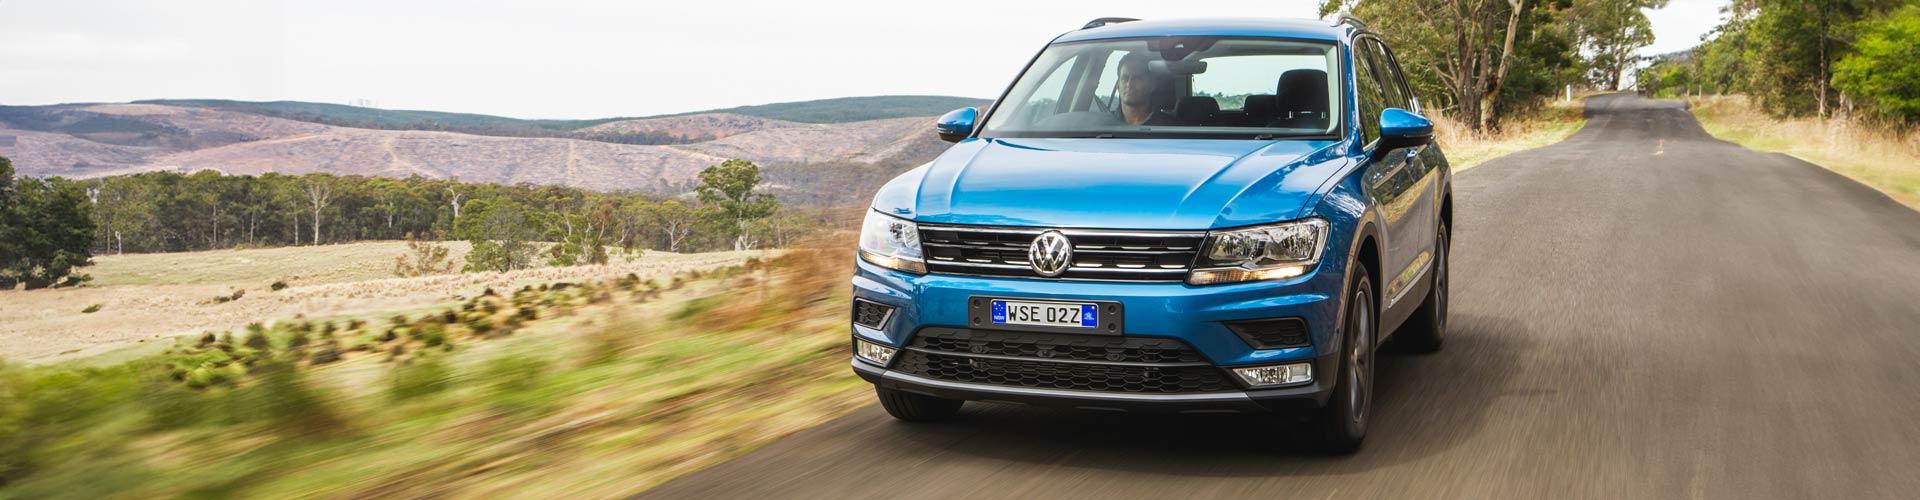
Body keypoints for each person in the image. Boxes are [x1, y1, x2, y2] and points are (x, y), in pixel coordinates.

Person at [1113, 51, 1178, 126]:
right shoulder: (1103, 124)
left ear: (1152, 85)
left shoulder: (1170, 127)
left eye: (1137, 78)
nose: (1129, 84)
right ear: (1118, 85)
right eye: (1125, 78)